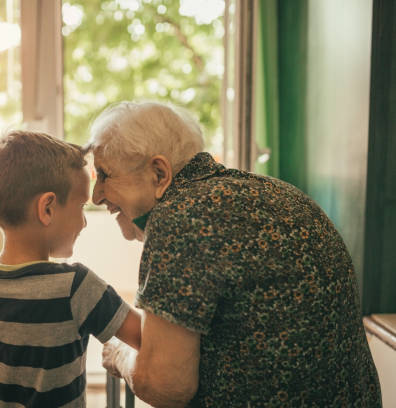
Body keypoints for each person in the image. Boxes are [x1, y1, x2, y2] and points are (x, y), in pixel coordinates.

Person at [88, 101, 382, 407]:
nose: (96, 196)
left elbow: (165, 385)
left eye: (105, 174)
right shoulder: (276, 191)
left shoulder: (180, 217)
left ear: (160, 174)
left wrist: (121, 356)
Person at [0, 130, 141, 408]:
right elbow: (146, 338)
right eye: (80, 207)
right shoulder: (76, 287)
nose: (83, 223)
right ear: (48, 209)